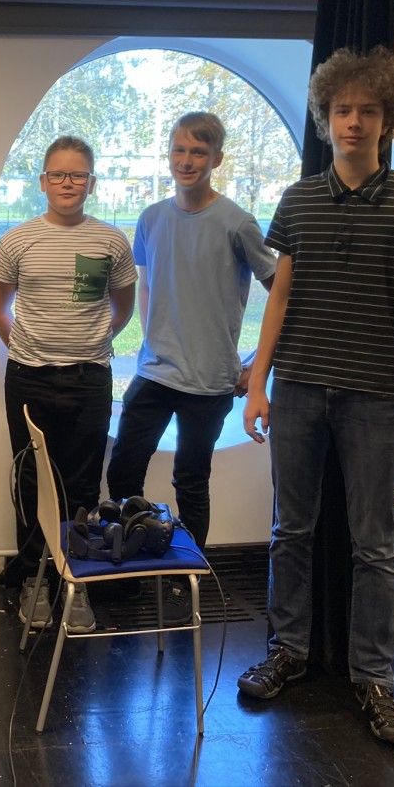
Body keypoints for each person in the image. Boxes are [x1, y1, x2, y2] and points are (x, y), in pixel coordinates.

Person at [237, 47, 394, 745]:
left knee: (375, 545)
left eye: (368, 110)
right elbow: (279, 299)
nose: (354, 121)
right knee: (290, 531)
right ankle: (288, 652)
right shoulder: (298, 200)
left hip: (376, 397)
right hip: (299, 389)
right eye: (342, 110)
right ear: (324, 119)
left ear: (387, 120)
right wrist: (258, 382)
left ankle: (375, 680)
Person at [105, 112, 277, 623]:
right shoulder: (151, 218)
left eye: (198, 152)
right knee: (123, 470)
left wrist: (255, 364)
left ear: (216, 159)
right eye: (179, 150)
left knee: (191, 480)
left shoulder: (238, 223)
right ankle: (132, 563)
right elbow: (149, 283)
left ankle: (188, 578)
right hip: (155, 372)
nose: (186, 160)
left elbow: (283, 294)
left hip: (210, 382)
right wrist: (152, 336)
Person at [0, 135, 137, 633]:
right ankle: (33, 581)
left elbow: (122, 307)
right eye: (58, 174)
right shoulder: (18, 241)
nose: (67, 183)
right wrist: (25, 348)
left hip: (89, 380)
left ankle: (75, 583)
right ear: (42, 181)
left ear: (91, 183)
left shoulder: (110, 242)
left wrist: (90, 343)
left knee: (82, 484)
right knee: (31, 480)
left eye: (77, 175)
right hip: (27, 379)